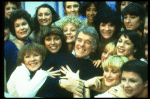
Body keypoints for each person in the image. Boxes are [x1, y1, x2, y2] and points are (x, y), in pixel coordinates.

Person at [38, 25, 103, 98]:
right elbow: (36, 81)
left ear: (94, 47)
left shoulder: (97, 68)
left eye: (87, 42)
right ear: (75, 42)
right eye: (79, 40)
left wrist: (83, 83)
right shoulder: (57, 56)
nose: (81, 44)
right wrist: (60, 82)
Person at [4, 9, 33, 82]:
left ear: (29, 25)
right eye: (17, 26)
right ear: (13, 29)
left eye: (24, 24)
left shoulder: (34, 44)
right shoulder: (8, 46)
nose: (22, 28)